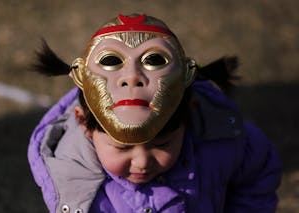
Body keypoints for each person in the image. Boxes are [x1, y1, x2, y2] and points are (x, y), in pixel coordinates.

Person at [28, 14, 282, 213]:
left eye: (162, 144)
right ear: (84, 122)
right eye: (123, 148)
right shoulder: (71, 181)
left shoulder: (224, 140)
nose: (141, 162)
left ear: (189, 115)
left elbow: (256, 173)